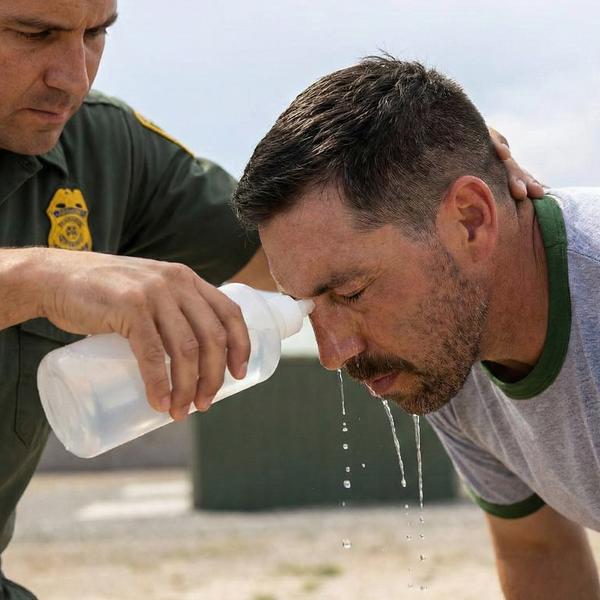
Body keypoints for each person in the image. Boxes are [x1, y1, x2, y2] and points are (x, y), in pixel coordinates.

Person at [0, 1, 540, 596]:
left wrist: (426, 172)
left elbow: (309, 251)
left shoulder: (105, 151)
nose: (73, 76)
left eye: (96, 33)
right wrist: (35, 279)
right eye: (34, 33)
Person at [231, 56, 600, 599]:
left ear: (471, 219)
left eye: (351, 292)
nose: (334, 354)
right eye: (308, 308)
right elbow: (537, 549)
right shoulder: (444, 353)